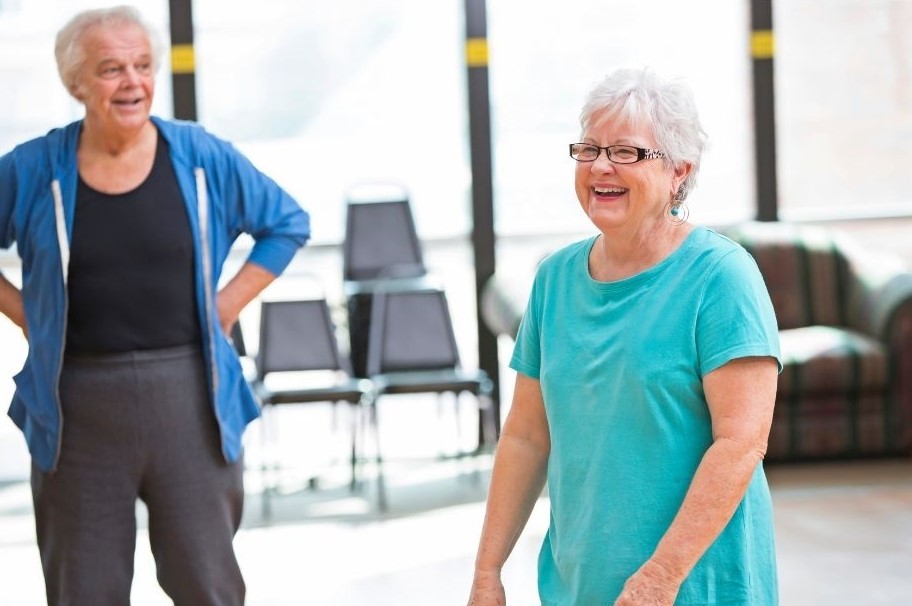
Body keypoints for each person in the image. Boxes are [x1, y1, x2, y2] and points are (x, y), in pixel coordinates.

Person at [0, 6, 310, 605]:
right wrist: (25, 315)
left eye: (143, 66)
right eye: (111, 69)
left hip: (190, 397)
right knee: (83, 590)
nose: (133, 82)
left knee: (206, 585)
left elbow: (286, 223)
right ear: (76, 84)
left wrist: (226, 304)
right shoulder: (36, 168)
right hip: (77, 406)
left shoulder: (199, 157)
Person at [467, 67, 781, 605]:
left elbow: (741, 443)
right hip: (577, 582)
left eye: (627, 152)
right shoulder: (555, 279)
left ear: (679, 172)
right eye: (588, 150)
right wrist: (487, 571)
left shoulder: (721, 277)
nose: (600, 167)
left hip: (693, 585)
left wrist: (660, 577)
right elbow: (525, 437)